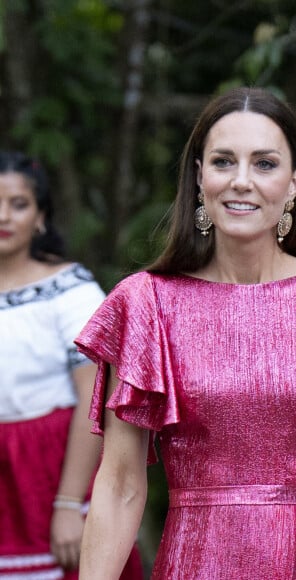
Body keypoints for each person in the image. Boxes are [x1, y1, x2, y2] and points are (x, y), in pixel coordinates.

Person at [75, 86, 296, 579]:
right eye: (224, 161)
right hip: (192, 565)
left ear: (295, 181)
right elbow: (121, 484)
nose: (241, 181)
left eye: (265, 164)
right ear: (199, 176)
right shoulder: (147, 303)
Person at [0, 152, 143, 579]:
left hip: (50, 471)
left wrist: (67, 504)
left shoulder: (70, 291)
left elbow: (94, 401)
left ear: (41, 216)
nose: (3, 215)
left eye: (19, 204)